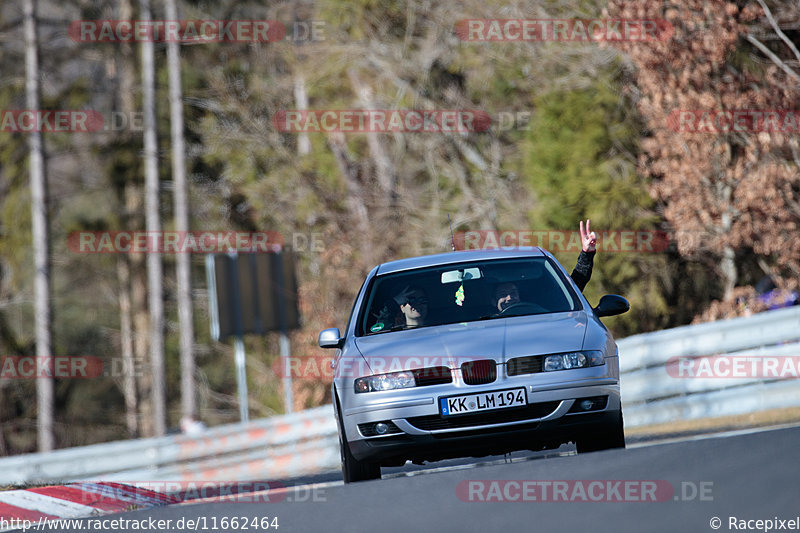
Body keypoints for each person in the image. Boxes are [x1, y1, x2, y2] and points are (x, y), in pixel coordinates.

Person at [492, 219, 597, 312]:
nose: (509, 297)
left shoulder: (545, 311)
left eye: (513, 292)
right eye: (503, 294)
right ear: (493, 301)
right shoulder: (480, 325)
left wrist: (587, 253)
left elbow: (575, 286)